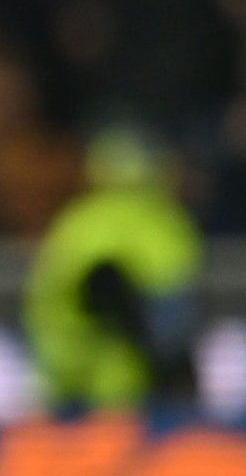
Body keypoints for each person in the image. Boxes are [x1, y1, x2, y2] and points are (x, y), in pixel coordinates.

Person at [24, 128, 202, 413]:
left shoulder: (76, 222)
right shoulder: (165, 223)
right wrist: (170, 362)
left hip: (72, 384)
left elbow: (56, 302)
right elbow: (112, 288)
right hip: (132, 389)